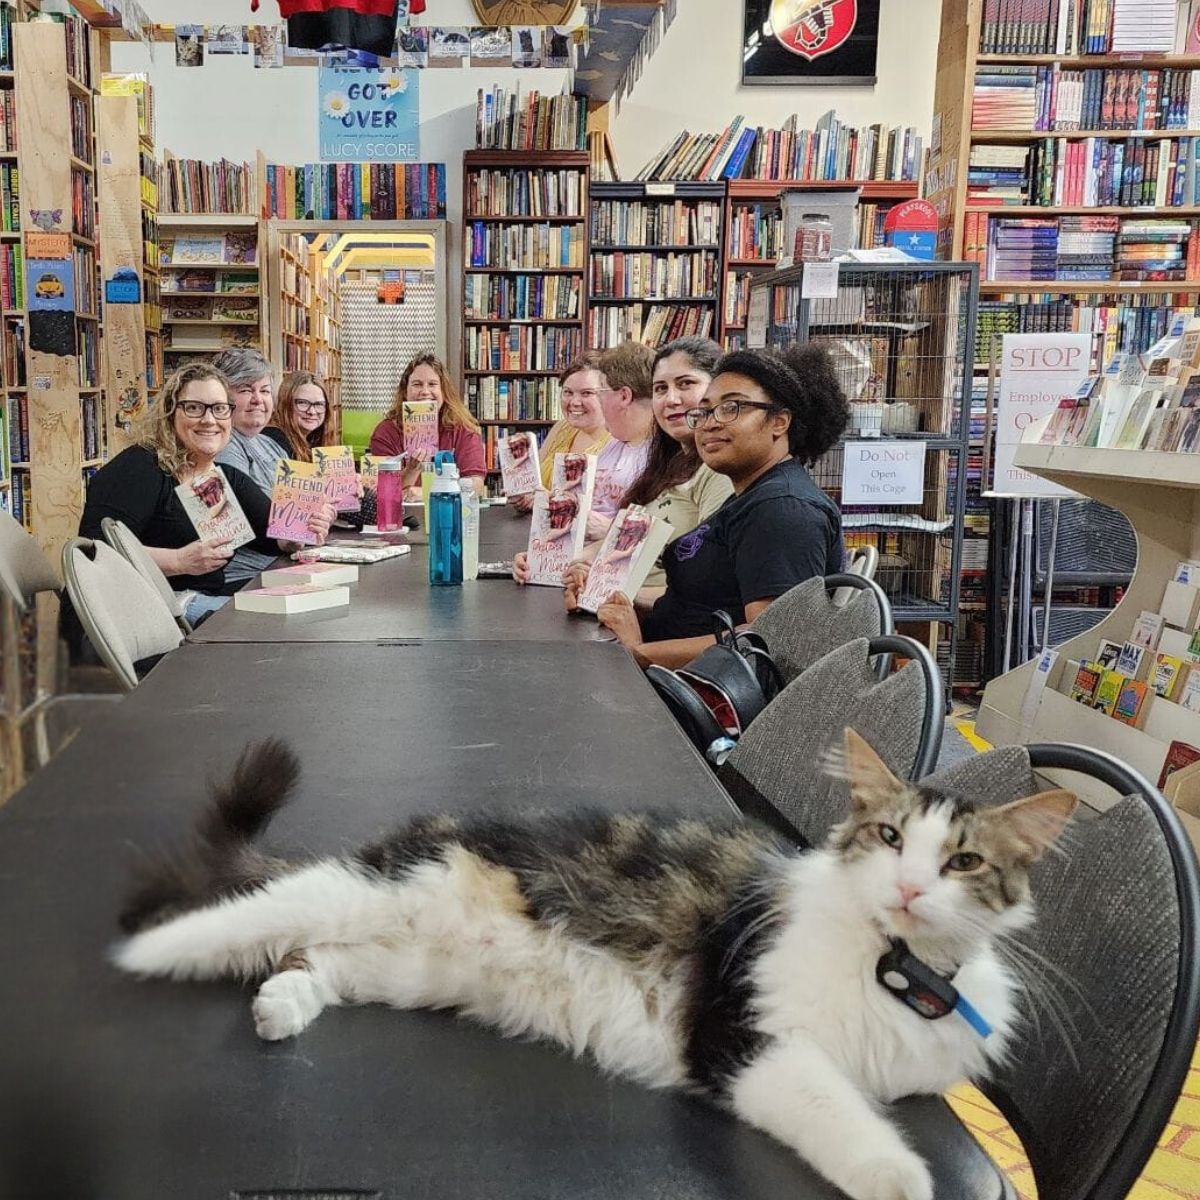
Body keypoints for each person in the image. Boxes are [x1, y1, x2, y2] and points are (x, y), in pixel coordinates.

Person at [592, 344, 849, 670]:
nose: (709, 423)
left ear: (779, 422)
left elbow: (768, 643)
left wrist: (639, 654)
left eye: (732, 408)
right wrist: (621, 606)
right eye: (705, 411)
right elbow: (706, 606)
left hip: (690, 700)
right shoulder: (750, 495)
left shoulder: (783, 509)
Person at [78, 361, 335, 627]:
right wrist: (178, 561)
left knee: (314, 611)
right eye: (194, 407)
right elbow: (94, 551)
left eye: (219, 409)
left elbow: (272, 535)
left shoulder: (221, 476)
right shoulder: (141, 467)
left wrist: (297, 533)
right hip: (141, 611)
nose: (209, 419)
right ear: (169, 413)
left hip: (199, 598)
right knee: (277, 625)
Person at [564, 337, 734, 599]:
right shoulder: (664, 461)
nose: (671, 399)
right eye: (660, 389)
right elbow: (630, 542)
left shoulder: (718, 471)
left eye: (685, 384)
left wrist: (613, 594)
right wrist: (570, 563)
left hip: (653, 623)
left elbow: (709, 585)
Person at [367, 353, 487, 496]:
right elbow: (381, 493)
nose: (425, 392)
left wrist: (426, 492)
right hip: (404, 516)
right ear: (405, 391)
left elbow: (476, 485)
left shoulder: (463, 429)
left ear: (444, 391)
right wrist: (411, 470)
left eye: (432, 384)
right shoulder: (386, 432)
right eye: (417, 384)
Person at [507, 353, 610, 514]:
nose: (574, 402)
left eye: (587, 393)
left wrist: (543, 500)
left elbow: (602, 507)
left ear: (607, 395)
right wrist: (524, 494)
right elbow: (536, 482)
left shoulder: (616, 440)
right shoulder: (562, 428)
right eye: (568, 392)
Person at [588, 341, 656, 538]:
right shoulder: (613, 444)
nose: (598, 401)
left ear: (624, 396)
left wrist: (611, 530)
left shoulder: (661, 457)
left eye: (600, 391)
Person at [267, 371, 332, 462]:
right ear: (285, 404)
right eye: (303, 403)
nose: (312, 412)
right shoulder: (273, 440)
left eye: (319, 404)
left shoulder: (312, 439)